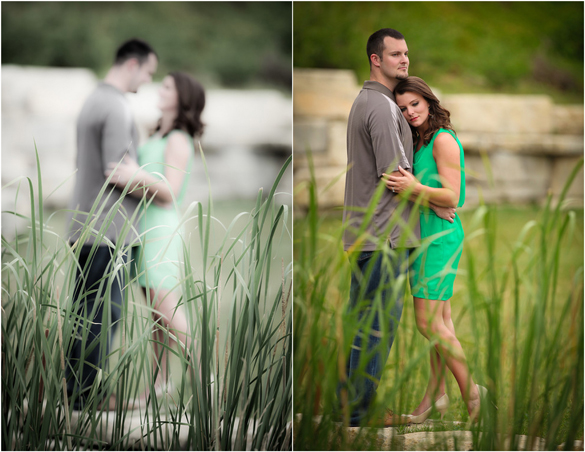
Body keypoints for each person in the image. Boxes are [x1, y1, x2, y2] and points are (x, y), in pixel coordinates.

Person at [340, 28, 455, 427]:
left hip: (366, 233)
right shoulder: (383, 109)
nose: (404, 59)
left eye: (406, 53)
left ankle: (351, 405)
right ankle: (361, 410)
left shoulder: (369, 102)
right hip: (384, 235)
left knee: (363, 321)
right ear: (376, 58)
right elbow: (398, 177)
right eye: (395, 54)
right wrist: (435, 199)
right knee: (377, 325)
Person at [385, 75, 488, 423]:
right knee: (441, 323)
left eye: (415, 103)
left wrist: (414, 188)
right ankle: (434, 398)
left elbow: (453, 196)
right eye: (403, 108)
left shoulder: (443, 139)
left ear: (429, 101)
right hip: (424, 234)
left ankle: (474, 396)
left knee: (429, 323)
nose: (410, 112)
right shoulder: (418, 141)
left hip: (439, 238)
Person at [66, 38, 158, 410]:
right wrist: (159, 186)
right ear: (132, 65)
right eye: (149, 73)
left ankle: (75, 391)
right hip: (107, 228)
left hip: (84, 224)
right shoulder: (117, 106)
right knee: (105, 313)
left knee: (84, 310)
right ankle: (86, 396)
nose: (147, 81)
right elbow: (118, 171)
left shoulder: (93, 100)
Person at [105, 71, 205, 405]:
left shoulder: (177, 138)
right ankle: (157, 386)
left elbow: (170, 193)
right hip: (144, 229)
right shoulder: (158, 134)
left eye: (167, 86)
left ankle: (208, 387)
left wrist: (134, 174)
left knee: (172, 316)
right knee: (157, 319)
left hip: (160, 230)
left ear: (182, 97)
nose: (159, 90)